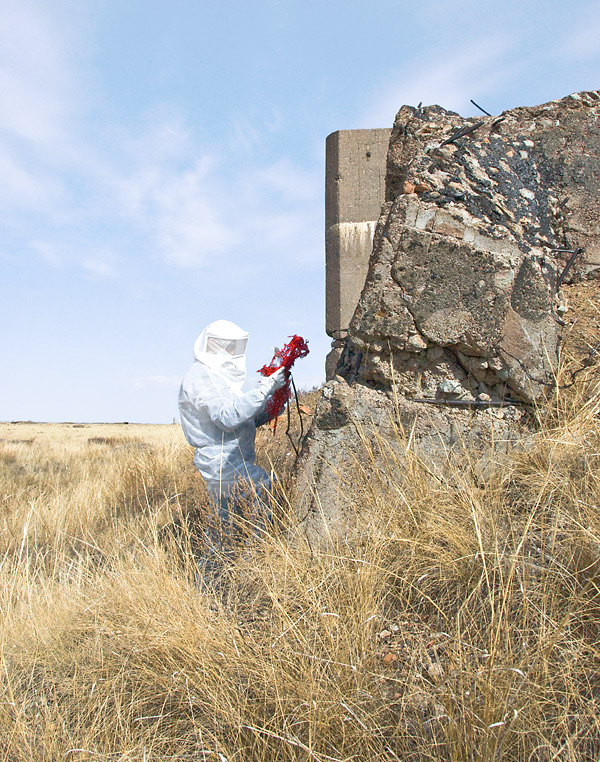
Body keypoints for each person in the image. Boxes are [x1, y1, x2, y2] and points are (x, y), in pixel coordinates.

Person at [178, 320, 286, 560]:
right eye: (229, 347)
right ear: (212, 344)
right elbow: (228, 417)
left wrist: (277, 399)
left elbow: (246, 420)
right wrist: (265, 387)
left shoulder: (219, 378)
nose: (233, 354)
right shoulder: (201, 376)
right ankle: (252, 563)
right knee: (260, 490)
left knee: (226, 527)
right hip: (219, 461)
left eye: (236, 348)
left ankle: (223, 582)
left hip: (233, 459)